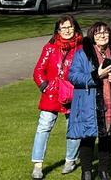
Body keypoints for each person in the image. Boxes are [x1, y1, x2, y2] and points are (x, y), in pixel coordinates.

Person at [67, 22, 111, 180]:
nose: (102, 36)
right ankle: (86, 171)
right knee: (88, 137)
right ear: (92, 37)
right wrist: (95, 75)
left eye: (105, 32)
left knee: (106, 136)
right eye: (98, 33)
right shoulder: (82, 53)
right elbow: (73, 76)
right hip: (88, 103)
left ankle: (104, 170)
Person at [30, 15, 84, 180]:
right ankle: (37, 165)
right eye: (63, 28)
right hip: (52, 94)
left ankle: (70, 160)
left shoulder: (82, 48)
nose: (67, 31)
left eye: (70, 27)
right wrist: (45, 87)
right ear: (58, 30)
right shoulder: (50, 48)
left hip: (73, 94)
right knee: (44, 127)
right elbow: (38, 71)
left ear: (75, 28)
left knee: (73, 127)